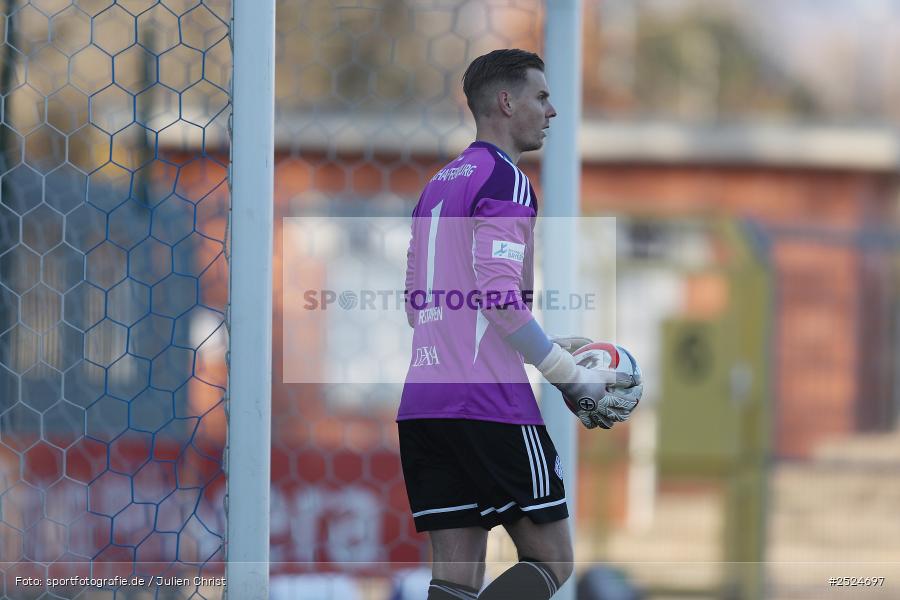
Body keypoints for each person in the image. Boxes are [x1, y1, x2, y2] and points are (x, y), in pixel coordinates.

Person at [397, 49, 635, 600]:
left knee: (454, 583)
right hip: (488, 405)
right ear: (507, 102)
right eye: (542, 97)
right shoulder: (506, 179)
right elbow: (499, 299)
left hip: (423, 406)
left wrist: (548, 344)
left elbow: (419, 306)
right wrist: (569, 378)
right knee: (552, 560)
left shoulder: (436, 186)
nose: (552, 112)